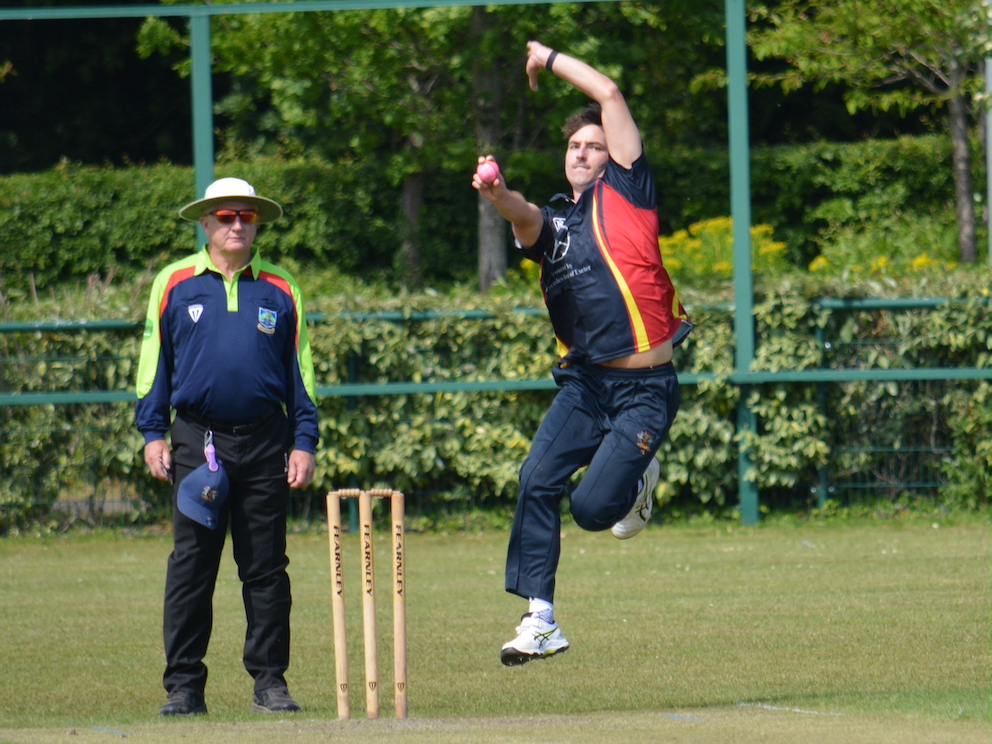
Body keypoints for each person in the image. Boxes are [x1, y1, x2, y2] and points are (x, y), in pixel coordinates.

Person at [473, 42, 692, 666]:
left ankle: (637, 481)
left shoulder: (629, 191)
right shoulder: (551, 222)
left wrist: (546, 56)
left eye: (593, 145)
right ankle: (540, 619)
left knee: (595, 512)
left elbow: (609, 93)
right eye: (574, 146)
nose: (582, 152)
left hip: (645, 389)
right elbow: (520, 216)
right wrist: (498, 195)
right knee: (535, 479)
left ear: (612, 157)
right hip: (585, 386)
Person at [136, 177, 319, 715]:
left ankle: (270, 683)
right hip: (197, 442)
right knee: (192, 567)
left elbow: (300, 372)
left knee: (265, 568)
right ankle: (184, 687)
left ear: (257, 222)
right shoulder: (175, 282)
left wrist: (303, 441)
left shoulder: (282, 289)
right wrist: (152, 433)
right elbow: (155, 364)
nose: (236, 224)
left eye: (246, 216)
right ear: (207, 223)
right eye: (225, 216)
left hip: (266, 443)